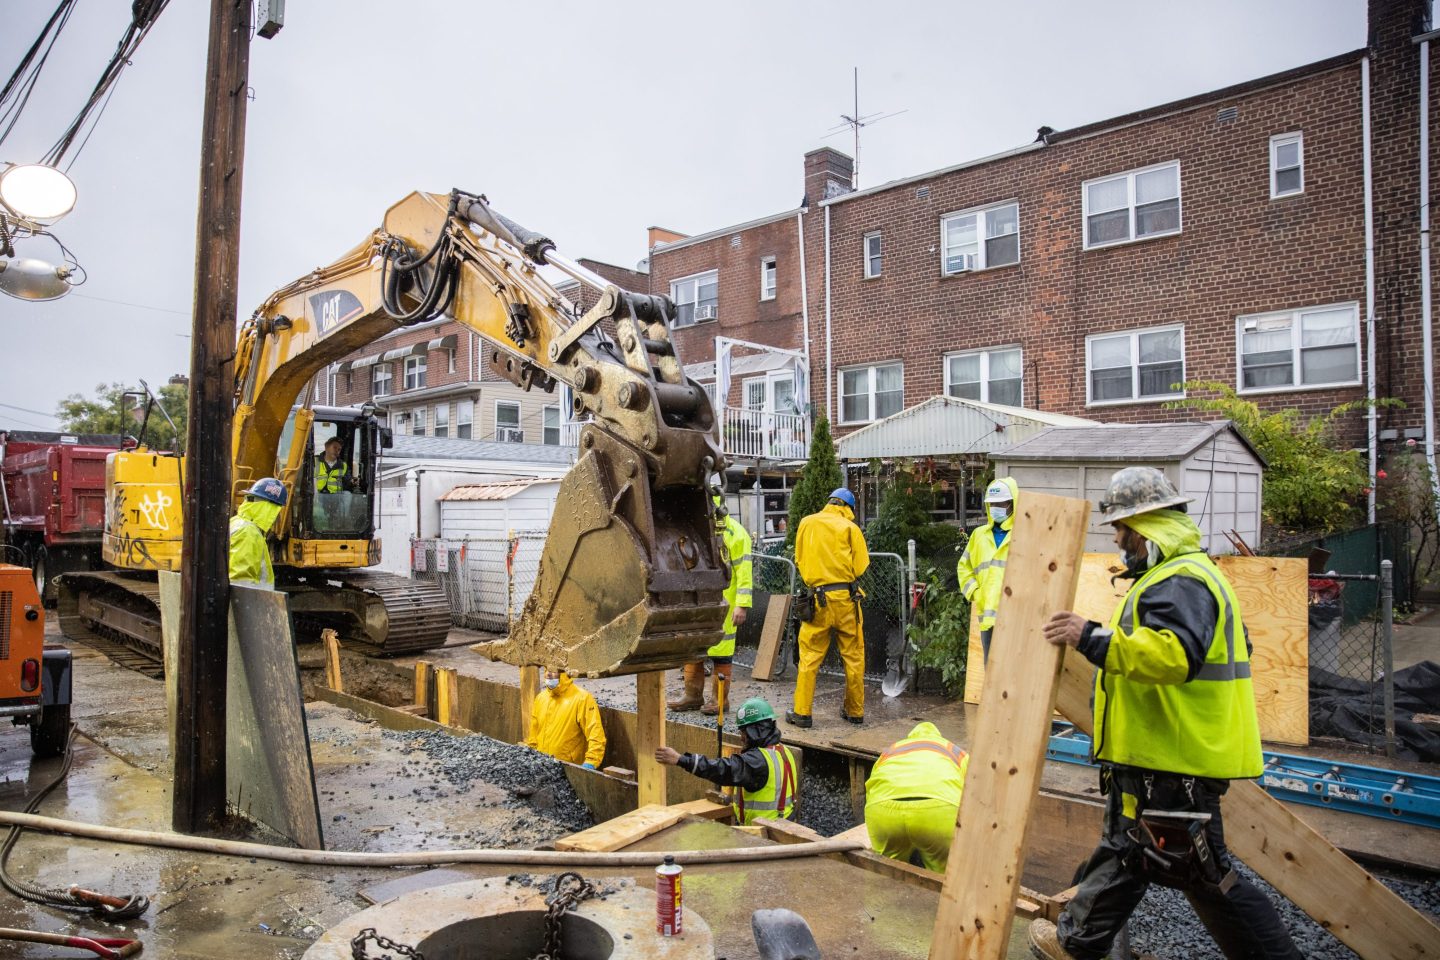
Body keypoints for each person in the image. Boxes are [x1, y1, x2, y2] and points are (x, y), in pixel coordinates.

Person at [1029, 467, 1300, 960]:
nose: (1117, 540)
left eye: (1120, 529)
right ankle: (1077, 942)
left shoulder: (1178, 581)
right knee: (1136, 853)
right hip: (1167, 755)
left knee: (1199, 871)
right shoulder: (1180, 577)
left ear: (1146, 525)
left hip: (1173, 758)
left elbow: (1173, 656)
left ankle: (1075, 944)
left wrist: (1088, 635)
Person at [788, 487, 869, 728]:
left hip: (817, 600)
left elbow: (799, 559)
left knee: (809, 657)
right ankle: (855, 711)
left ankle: (802, 713)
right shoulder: (850, 528)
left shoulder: (806, 523)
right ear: (848, 507)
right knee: (853, 657)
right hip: (846, 599)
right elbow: (861, 566)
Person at [669, 493, 752, 716]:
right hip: (699, 603)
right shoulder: (695, 531)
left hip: (724, 605)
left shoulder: (735, 534)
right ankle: (692, 695)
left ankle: (719, 700)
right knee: (693, 648)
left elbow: (744, 572)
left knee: (721, 654)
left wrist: (742, 605)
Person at [654, 697, 799, 825]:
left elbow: (721, 769)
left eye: (743, 732)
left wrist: (680, 759)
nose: (742, 738)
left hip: (766, 833)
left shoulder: (757, 761)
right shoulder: (783, 751)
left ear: (755, 732)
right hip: (785, 823)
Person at [864, 721, 968, 872]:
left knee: (886, 875)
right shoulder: (955, 751)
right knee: (942, 879)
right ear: (938, 736)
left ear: (911, 737)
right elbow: (975, 795)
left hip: (883, 810)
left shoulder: (892, 750)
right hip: (939, 811)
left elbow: (871, 787)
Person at [955, 477, 1018, 662]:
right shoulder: (979, 536)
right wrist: (975, 592)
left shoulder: (1023, 534)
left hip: (1016, 620)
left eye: (1002, 503)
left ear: (1013, 503)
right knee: (991, 675)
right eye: (993, 504)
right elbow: (963, 567)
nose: (996, 507)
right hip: (989, 621)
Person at [526, 668, 606, 769]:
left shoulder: (582, 698)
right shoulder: (541, 698)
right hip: (542, 767)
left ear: (564, 673)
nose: (548, 674)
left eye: (553, 671)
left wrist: (591, 762)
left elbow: (596, 735)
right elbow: (534, 734)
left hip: (568, 769)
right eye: (547, 670)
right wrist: (530, 754)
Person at [229, 477, 287, 588]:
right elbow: (241, 583)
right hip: (253, 603)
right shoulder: (248, 532)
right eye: (277, 510)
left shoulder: (237, 522)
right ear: (269, 508)